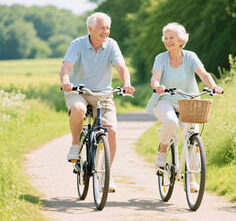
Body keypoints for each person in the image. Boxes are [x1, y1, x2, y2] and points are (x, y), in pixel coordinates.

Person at [60, 12, 135, 191]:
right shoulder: (77, 44)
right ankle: (75, 144)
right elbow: (66, 66)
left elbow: (121, 67)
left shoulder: (111, 45)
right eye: (102, 28)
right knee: (78, 110)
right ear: (90, 29)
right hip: (79, 90)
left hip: (103, 94)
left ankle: (105, 174)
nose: (106, 31)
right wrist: (65, 82)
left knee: (112, 132)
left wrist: (127, 84)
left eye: (108, 28)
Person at [145, 22, 223, 190]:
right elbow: (155, 78)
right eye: (165, 38)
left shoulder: (190, 57)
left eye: (171, 37)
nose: (168, 40)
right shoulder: (161, 58)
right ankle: (163, 151)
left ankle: (191, 177)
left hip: (188, 101)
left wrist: (213, 86)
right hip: (165, 99)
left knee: (193, 136)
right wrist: (157, 85)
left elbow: (203, 74)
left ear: (181, 40)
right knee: (171, 122)